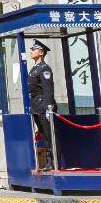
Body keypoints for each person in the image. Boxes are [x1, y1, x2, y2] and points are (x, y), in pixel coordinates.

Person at [27, 39, 57, 172]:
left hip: (43, 105)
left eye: (34, 50)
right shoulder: (34, 68)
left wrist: (48, 108)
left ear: (41, 52)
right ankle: (49, 163)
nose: (31, 51)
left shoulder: (45, 69)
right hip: (36, 106)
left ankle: (54, 162)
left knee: (49, 135)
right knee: (44, 135)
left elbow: (48, 90)